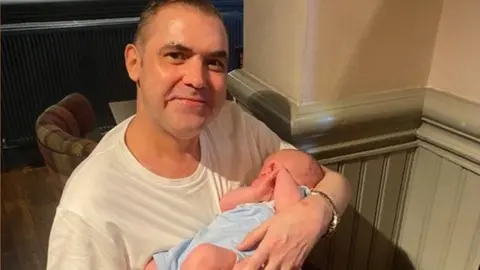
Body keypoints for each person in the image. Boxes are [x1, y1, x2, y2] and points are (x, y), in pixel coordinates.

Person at [46, 0, 352, 269]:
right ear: (134, 63)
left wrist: (315, 212)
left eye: (214, 62)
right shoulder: (89, 209)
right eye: (176, 55)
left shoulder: (232, 123)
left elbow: (331, 180)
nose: (197, 79)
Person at [144, 149, 326, 270]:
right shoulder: (254, 200)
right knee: (154, 264)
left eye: (277, 169)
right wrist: (255, 193)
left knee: (204, 257)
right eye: (266, 169)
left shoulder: (295, 199)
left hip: (233, 257)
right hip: (188, 250)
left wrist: (282, 176)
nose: (268, 173)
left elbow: (290, 210)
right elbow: (225, 204)